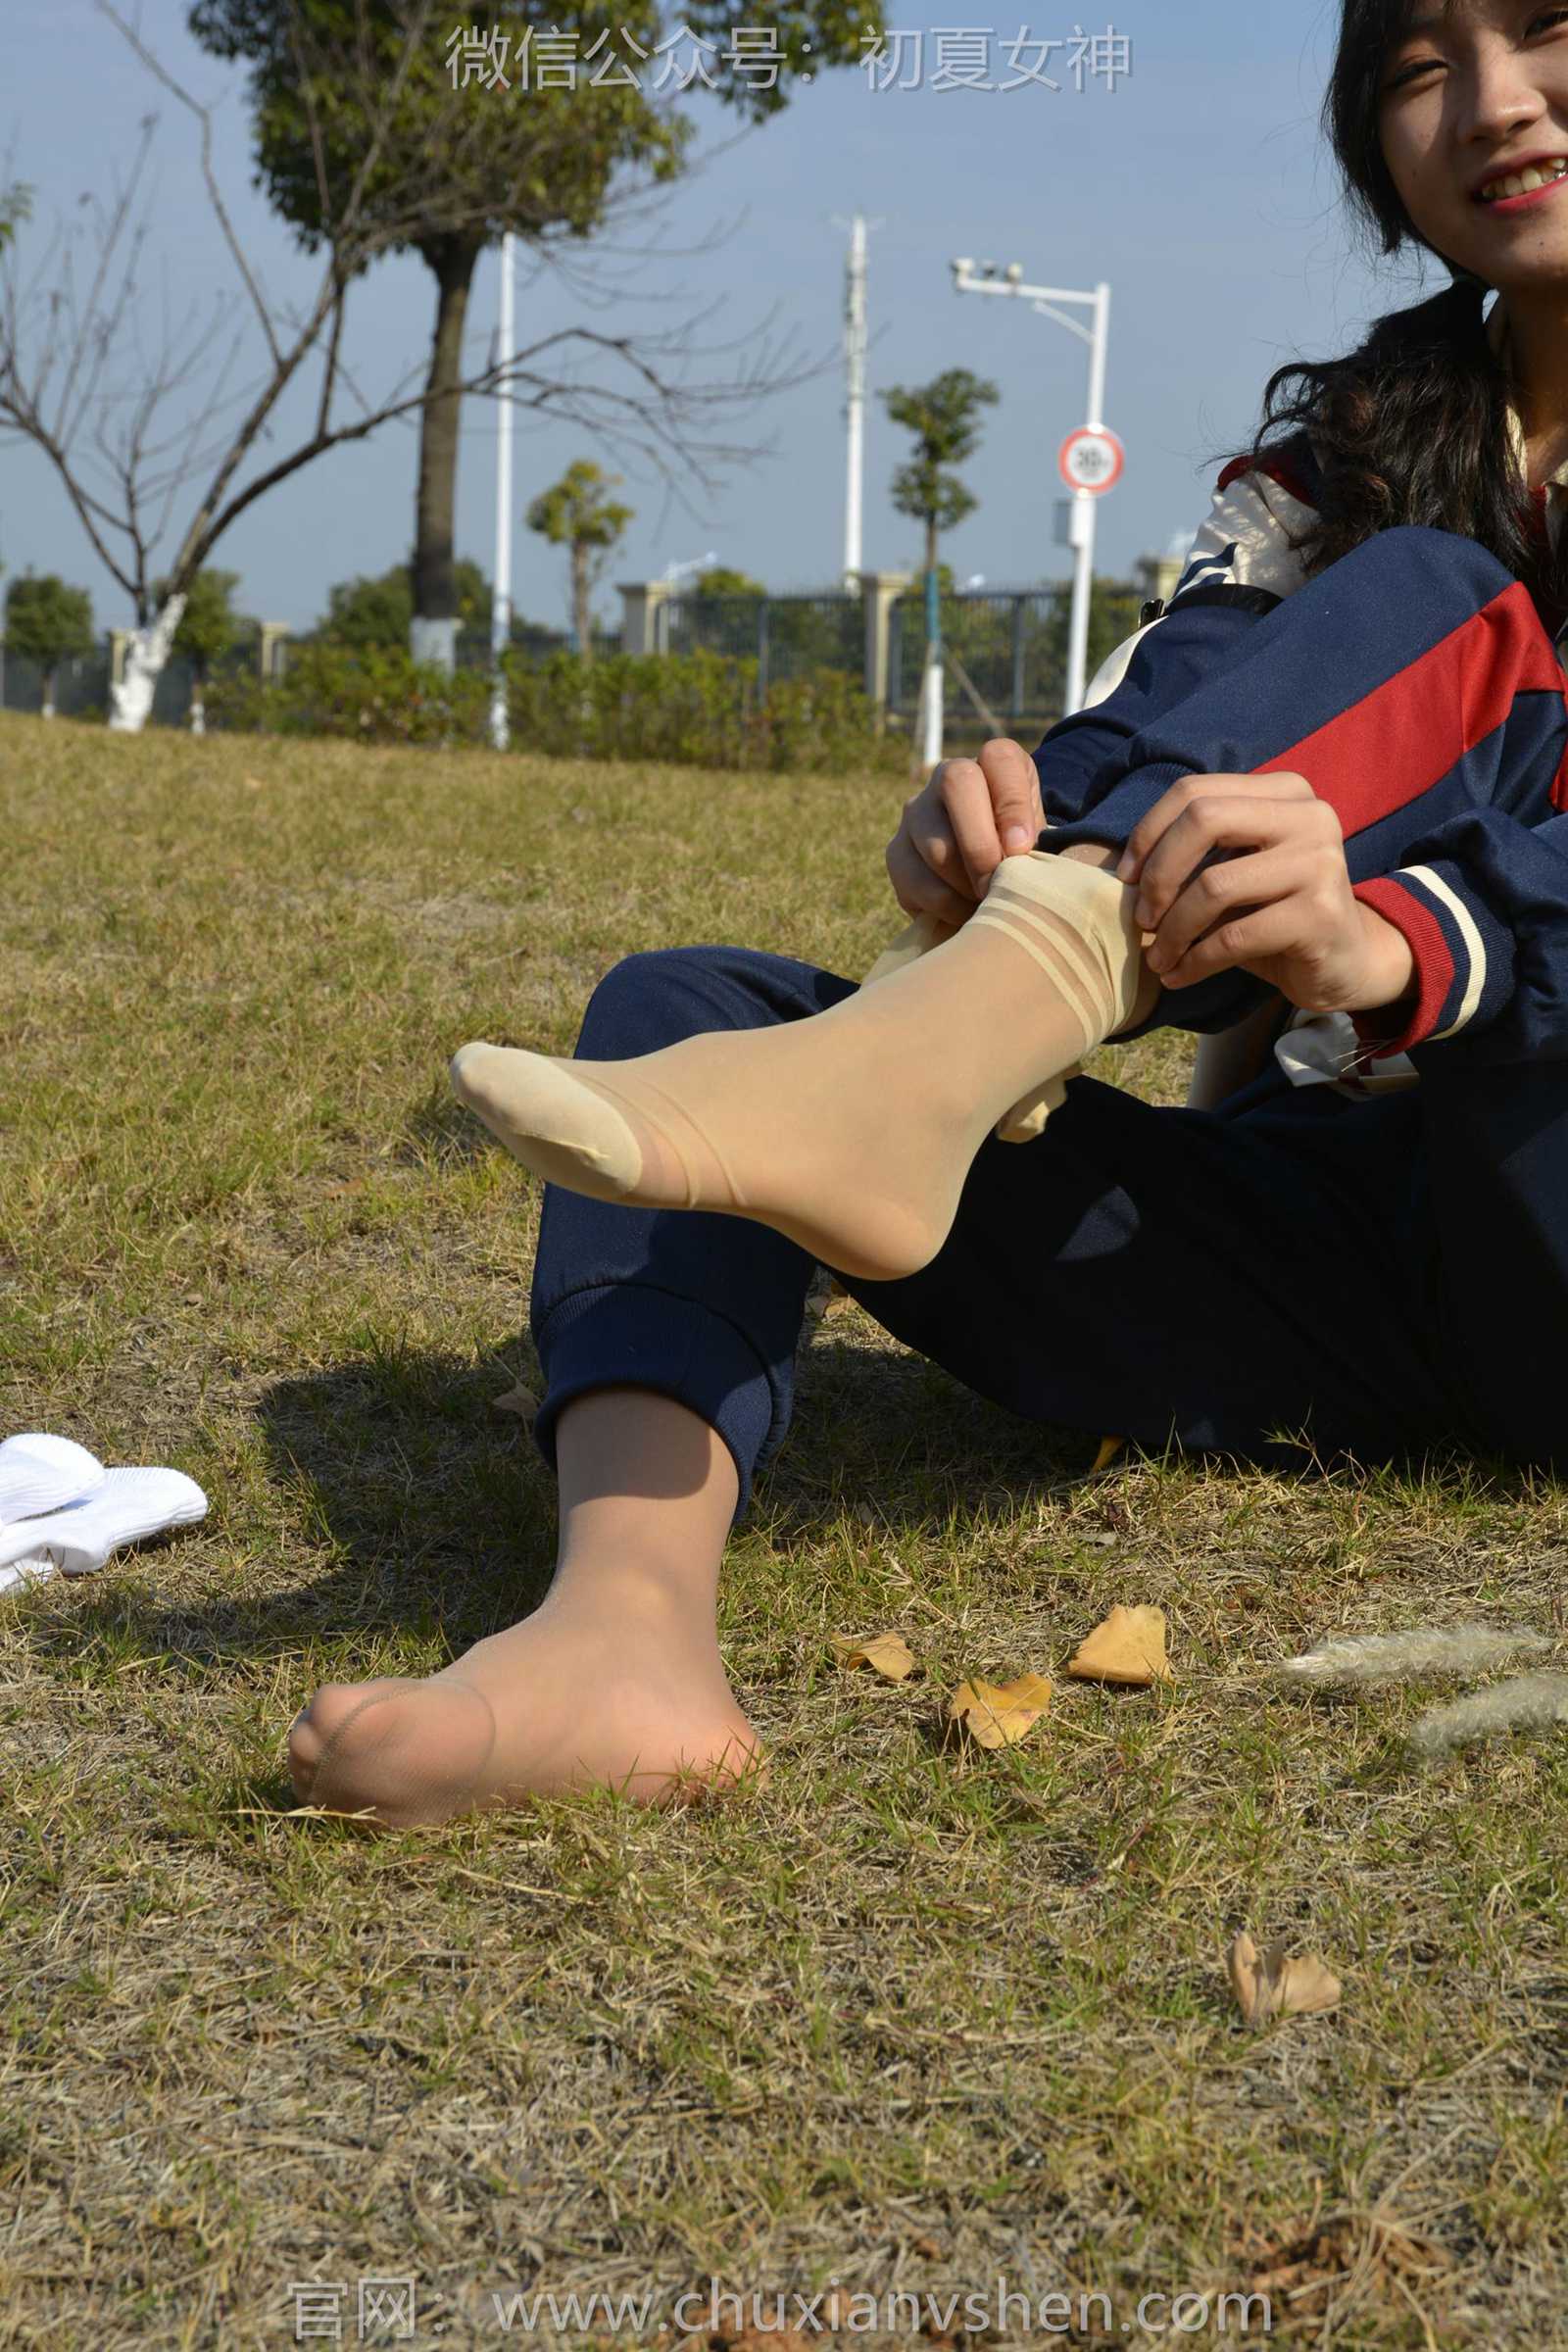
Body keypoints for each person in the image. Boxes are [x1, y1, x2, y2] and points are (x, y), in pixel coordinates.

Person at [289, 0, 1568, 1829]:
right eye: (1423, 63)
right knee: (692, 1006)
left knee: (1448, 602)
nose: (1496, 103)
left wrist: (1410, 948)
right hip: (1334, 1248)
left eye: (1547, 27)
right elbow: (1187, 687)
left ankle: (963, 1029)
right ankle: (621, 1636)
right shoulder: (1354, 457)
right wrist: (1021, 818)